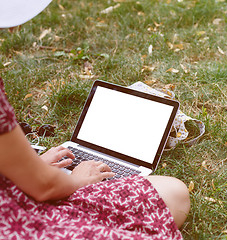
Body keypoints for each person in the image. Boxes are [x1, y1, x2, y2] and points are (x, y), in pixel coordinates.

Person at [0, 1, 190, 239]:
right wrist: (77, 181)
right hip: (17, 218)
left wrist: (31, 165)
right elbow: (43, 187)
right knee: (174, 192)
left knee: (173, 191)